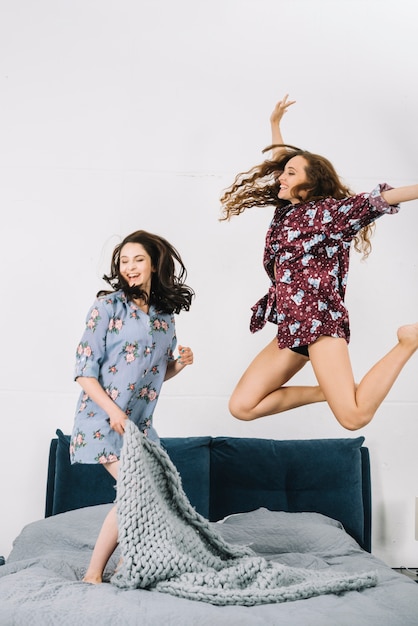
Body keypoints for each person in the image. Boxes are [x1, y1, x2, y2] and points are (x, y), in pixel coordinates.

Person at [220, 94, 418, 431]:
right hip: (292, 326)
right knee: (243, 405)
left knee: (354, 417)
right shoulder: (286, 211)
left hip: (320, 322)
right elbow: (284, 159)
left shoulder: (330, 213)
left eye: (291, 173)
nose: (281, 176)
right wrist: (275, 124)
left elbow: (381, 199)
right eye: (283, 171)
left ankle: (408, 341)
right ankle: (328, 392)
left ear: (310, 183)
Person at [70, 229, 194, 583]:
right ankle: (93, 574)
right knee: (135, 489)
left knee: (149, 494)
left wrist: (179, 365)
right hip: (101, 418)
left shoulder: (164, 316)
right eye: (124, 260)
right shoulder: (107, 306)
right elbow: (83, 371)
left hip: (137, 425)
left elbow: (154, 373)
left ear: (154, 264)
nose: (130, 267)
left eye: (138, 259)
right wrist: (113, 411)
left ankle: (128, 565)